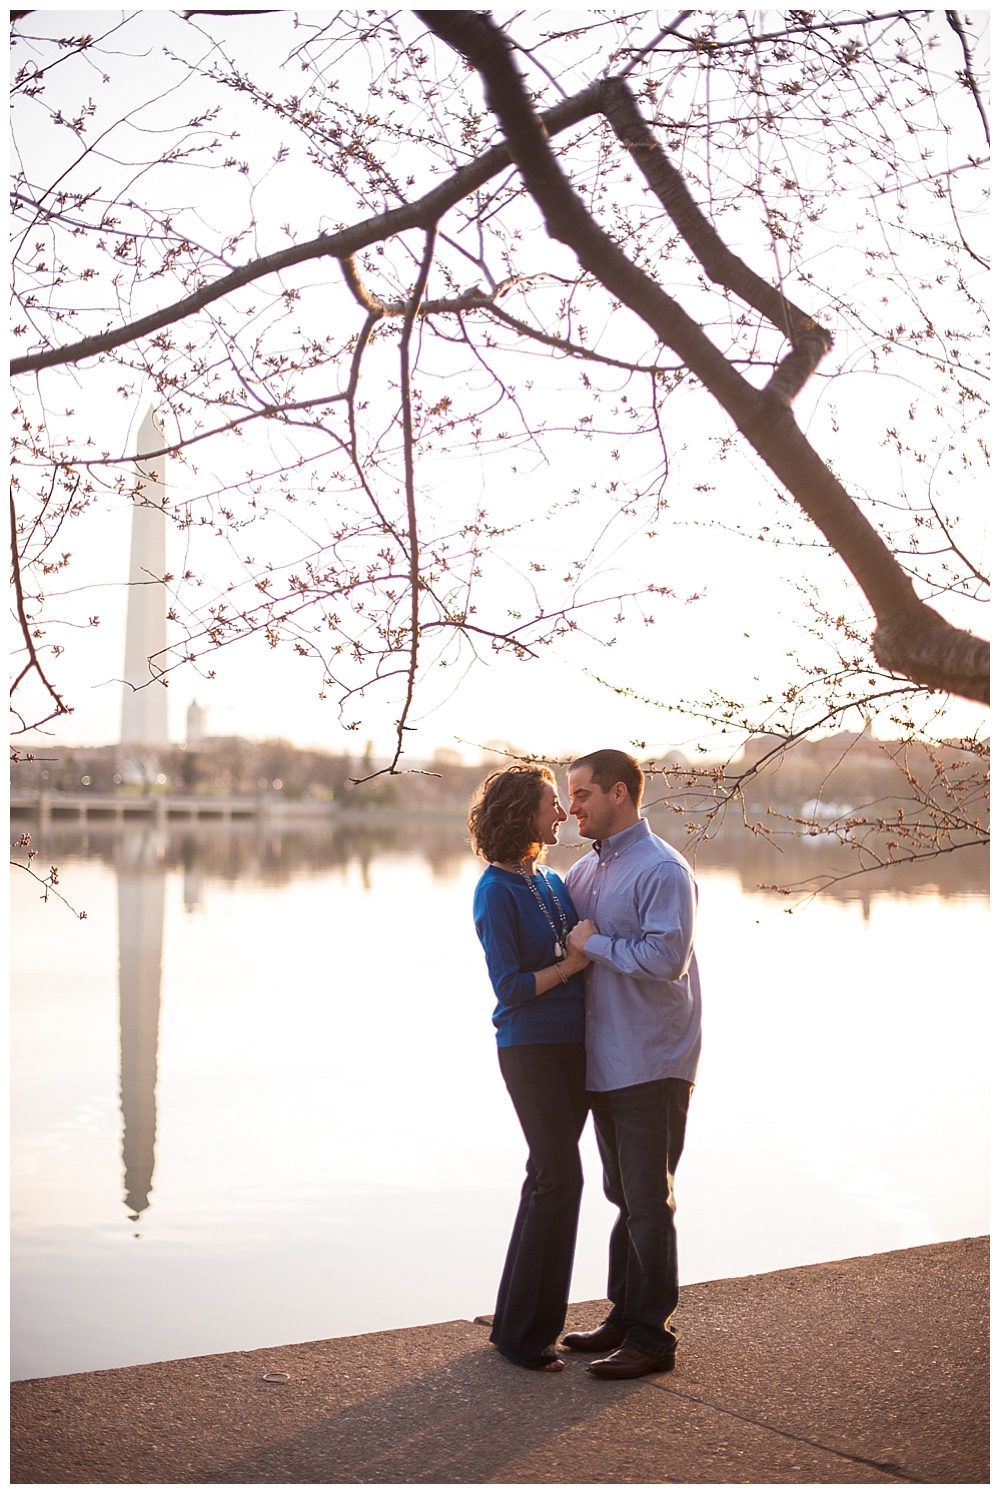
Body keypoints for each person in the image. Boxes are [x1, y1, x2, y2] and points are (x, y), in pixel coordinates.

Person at [561, 748, 702, 1381]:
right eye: (568, 796)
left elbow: (665, 959)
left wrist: (595, 945)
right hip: (604, 1058)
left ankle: (653, 1338)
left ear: (619, 794)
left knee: (648, 1200)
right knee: (623, 1195)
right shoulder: (581, 874)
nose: (572, 807)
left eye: (583, 794)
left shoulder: (663, 870)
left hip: (652, 1056)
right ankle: (624, 1317)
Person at [469, 763, 591, 1372]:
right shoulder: (495, 890)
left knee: (545, 1178)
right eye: (552, 801)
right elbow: (512, 988)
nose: (562, 812)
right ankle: (528, 1337)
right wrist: (570, 965)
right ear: (523, 811)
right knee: (561, 1179)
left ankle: (516, 1325)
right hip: (530, 1049)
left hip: (575, 1048)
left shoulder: (551, 880)